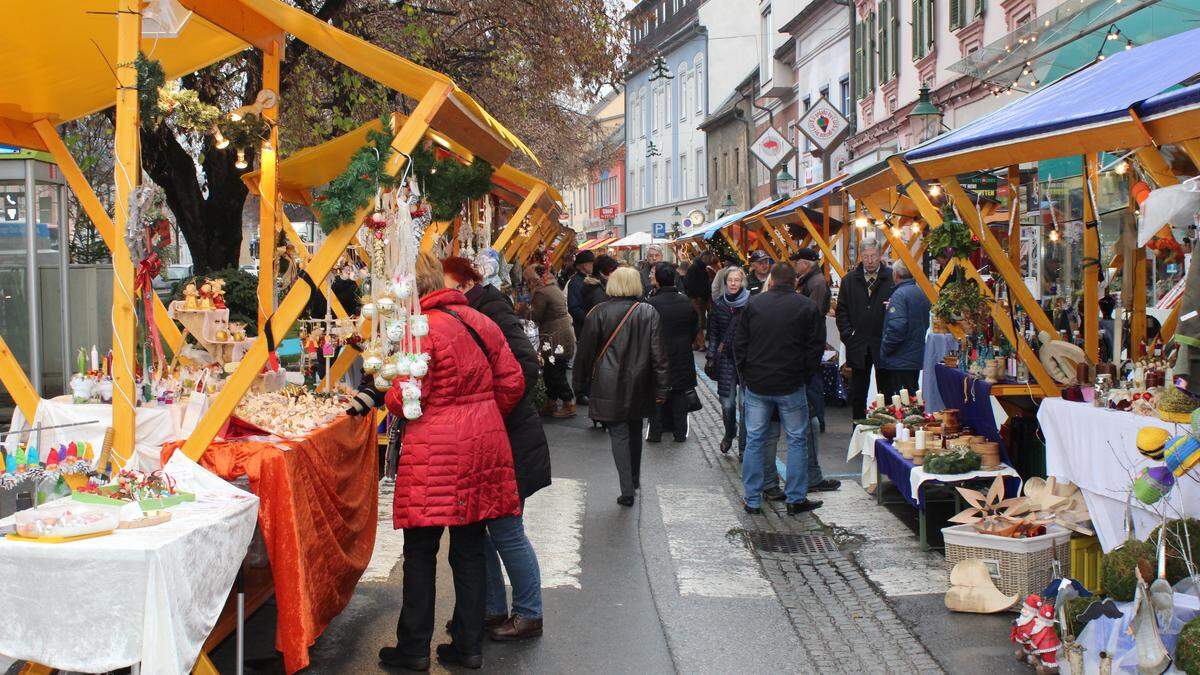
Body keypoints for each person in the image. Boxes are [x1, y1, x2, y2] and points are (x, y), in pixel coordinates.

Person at [379, 251, 525, 671]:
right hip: (482, 446)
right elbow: (512, 380)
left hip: (433, 451)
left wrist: (390, 392)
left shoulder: (419, 330)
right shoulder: (479, 321)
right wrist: (481, 413)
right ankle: (468, 645)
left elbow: (409, 398)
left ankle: (413, 649)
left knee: (421, 552)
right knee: (470, 550)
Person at [442, 257, 551, 642]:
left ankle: (529, 612)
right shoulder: (476, 308)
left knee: (506, 530)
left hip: (509, 439)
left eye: (445, 283)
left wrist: (490, 411)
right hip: (492, 439)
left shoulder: (490, 308)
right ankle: (490, 609)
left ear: (464, 282)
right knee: (482, 530)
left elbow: (525, 367)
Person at [734, 263, 825, 516]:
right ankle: (795, 498)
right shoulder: (806, 307)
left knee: (755, 440)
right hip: (791, 383)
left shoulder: (754, 304)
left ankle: (752, 499)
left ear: (771, 281)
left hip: (758, 383)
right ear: (795, 281)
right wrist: (803, 376)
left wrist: (746, 375)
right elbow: (814, 349)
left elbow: (740, 343)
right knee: (796, 440)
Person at [573, 267, 669, 506]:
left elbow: (584, 353)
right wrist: (662, 387)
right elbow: (659, 356)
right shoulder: (648, 312)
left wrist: (578, 383)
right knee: (635, 430)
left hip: (608, 384)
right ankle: (633, 480)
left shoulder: (598, 313)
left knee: (619, 434)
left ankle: (627, 488)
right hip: (640, 382)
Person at [835, 242, 894, 422]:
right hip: (858, 343)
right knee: (858, 391)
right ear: (861, 256)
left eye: (873, 256)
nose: (869, 261)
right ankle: (858, 428)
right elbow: (841, 311)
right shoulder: (849, 280)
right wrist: (848, 335)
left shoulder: (891, 278)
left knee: (887, 391)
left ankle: (886, 426)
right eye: (866, 256)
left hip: (883, 343)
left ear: (880, 256)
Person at [644, 261, 698, 442]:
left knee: (657, 394)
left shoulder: (651, 304)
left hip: (658, 356)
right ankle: (680, 433)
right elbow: (694, 329)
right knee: (679, 394)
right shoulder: (686, 302)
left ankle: (655, 433)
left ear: (658, 280)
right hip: (682, 355)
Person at [706, 265, 749, 455]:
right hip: (725, 360)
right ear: (725, 283)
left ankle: (743, 447)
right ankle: (730, 432)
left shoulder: (751, 303)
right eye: (730, 280)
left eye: (737, 280)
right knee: (728, 404)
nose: (733, 283)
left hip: (746, 360)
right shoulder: (718, 304)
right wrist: (711, 355)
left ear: (742, 282)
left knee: (746, 406)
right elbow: (714, 333)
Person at [790, 247, 831, 434]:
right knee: (809, 379)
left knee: (812, 379)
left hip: (811, 340)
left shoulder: (817, 282)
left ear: (805, 264)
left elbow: (813, 312)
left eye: (796, 263)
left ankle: (817, 418)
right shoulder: (810, 280)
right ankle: (812, 416)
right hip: (809, 338)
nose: (795, 266)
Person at [526, 265, 577, 418]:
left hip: (554, 336)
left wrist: (523, 310)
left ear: (534, 279)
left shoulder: (542, 292)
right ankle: (551, 402)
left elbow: (535, 316)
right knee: (552, 370)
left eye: (528, 280)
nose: (527, 284)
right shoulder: (553, 287)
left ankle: (569, 403)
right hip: (562, 333)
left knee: (555, 372)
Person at [879, 261, 931, 398]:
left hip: (900, 358)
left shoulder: (899, 295)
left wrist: (885, 348)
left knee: (902, 400)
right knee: (913, 398)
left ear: (895, 275)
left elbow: (897, 327)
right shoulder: (920, 292)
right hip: (914, 355)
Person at [684, 250, 715, 351]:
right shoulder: (695, 268)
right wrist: (696, 296)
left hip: (701, 298)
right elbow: (689, 284)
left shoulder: (701, 267)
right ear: (704, 257)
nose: (711, 259)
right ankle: (700, 344)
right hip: (697, 299)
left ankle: (696, 344)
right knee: (699, 322)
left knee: (699, 321)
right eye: (709, 257)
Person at [565, 250, 595, 338]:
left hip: (591, 327)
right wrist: (590, 319)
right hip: (584, 328)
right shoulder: (575, 282)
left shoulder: (591, 278)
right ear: (584, 265)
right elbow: (574, 308)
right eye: (591, 263)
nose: (593, 265)